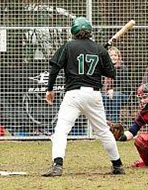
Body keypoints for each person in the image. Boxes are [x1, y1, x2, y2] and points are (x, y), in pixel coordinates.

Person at [42, 16, 125, 177]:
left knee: (61, 131)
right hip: (94, 95)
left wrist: (50, 89)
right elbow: (111, 73)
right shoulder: (99, 49)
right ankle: (118, 165)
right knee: (103, 131)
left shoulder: (68, 46)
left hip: (73, 95)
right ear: (89, 31)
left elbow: (54, 69)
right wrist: (103, 59)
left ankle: (57, 166)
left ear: (73, 31)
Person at [102, 46, 132, 123]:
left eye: (115, 55)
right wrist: (108, 91)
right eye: (111, 55)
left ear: (119, 57)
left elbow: (126, 85)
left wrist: (113, 90)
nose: (113, 57)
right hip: (108, 93)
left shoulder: (123, 68)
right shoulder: (105, 68)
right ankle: (107, 121)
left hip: (123, 94)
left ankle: (115, 123)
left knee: (116, 95)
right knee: (103, 96)